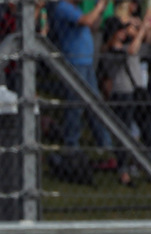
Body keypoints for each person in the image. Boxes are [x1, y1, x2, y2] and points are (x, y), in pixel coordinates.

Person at [103, 0, 151, 182]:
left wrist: (148, 28)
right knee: (126, 132)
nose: (123, 32)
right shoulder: (110, 50)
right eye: (120, 29)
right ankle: (123, 170)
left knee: (147, 129)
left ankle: (148, 165)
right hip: (122, 93)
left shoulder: (129, 44)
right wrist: (142, 28)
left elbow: (150, 46)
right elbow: (130, 51)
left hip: (137, 92)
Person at [47, 0, 113, 151]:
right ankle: (71, 144)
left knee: (95, 102)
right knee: (75, 105)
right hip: (75, 62)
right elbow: (87, 20)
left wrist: (101, 11)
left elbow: (93, 25)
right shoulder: (63, 7)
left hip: (86, 61)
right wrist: (98, 6)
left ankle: (104, 142)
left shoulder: (75, 9)